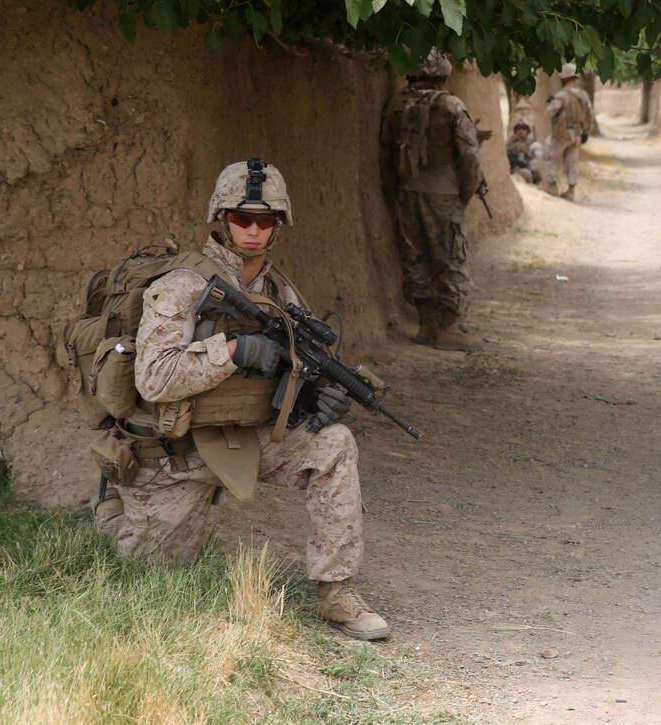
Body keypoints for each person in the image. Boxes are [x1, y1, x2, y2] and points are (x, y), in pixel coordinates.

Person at [92, 158, 389, 641]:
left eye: (265, 220)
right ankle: (110, 510)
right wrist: (231, 350)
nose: (253, 230)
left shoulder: (279, 291)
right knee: (151, 584)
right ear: (221, 218)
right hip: (175, 451)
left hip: (247, 435)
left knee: (334, 442)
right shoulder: (181, 286)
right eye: (241, 218)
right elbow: (153, 378)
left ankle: (336, 592)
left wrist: (319, 398)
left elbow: (293, 369)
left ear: (279, 225)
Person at [379, 48, 484, 351]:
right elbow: (469, 156)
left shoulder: (396, 105)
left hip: (407, 194)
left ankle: (425, 324)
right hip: (445, 194)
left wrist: (393, 196)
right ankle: (448, 328)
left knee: (415, 257)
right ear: (441, 75)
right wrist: (465, 194)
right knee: (452, 257)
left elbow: (384, 156)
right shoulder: (452, 106)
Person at [544, 62, 595, 201]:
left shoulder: (562, 95)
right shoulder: (583, 95)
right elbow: (590, 115)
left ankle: (553, 185)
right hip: (577, 133)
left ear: (564, 78)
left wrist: (550, 102)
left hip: (563, 133)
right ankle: (571, 190)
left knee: (549, 154)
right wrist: (586, 132)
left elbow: (550, 112)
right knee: (572, 160)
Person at [506, 116, 544, 185]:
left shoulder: (534, 145)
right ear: (515, 131)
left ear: (528, 131)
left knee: (525, 173)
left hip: (529, 174)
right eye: (519, 129)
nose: (521, 130)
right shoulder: (511, 146)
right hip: (513, 172)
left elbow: (538, 164)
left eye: (523, 128)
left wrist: (528, 166)